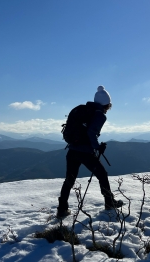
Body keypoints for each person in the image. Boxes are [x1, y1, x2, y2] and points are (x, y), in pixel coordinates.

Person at [57, 86, 123, 218]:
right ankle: (109, 202)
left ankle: (62, 209)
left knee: (70, 179)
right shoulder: (99, 116)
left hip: (72, 150)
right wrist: (97, 147)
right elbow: (91, 133)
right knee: (102, 174)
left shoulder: (81, 110)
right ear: (107, 104)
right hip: (85, 152)